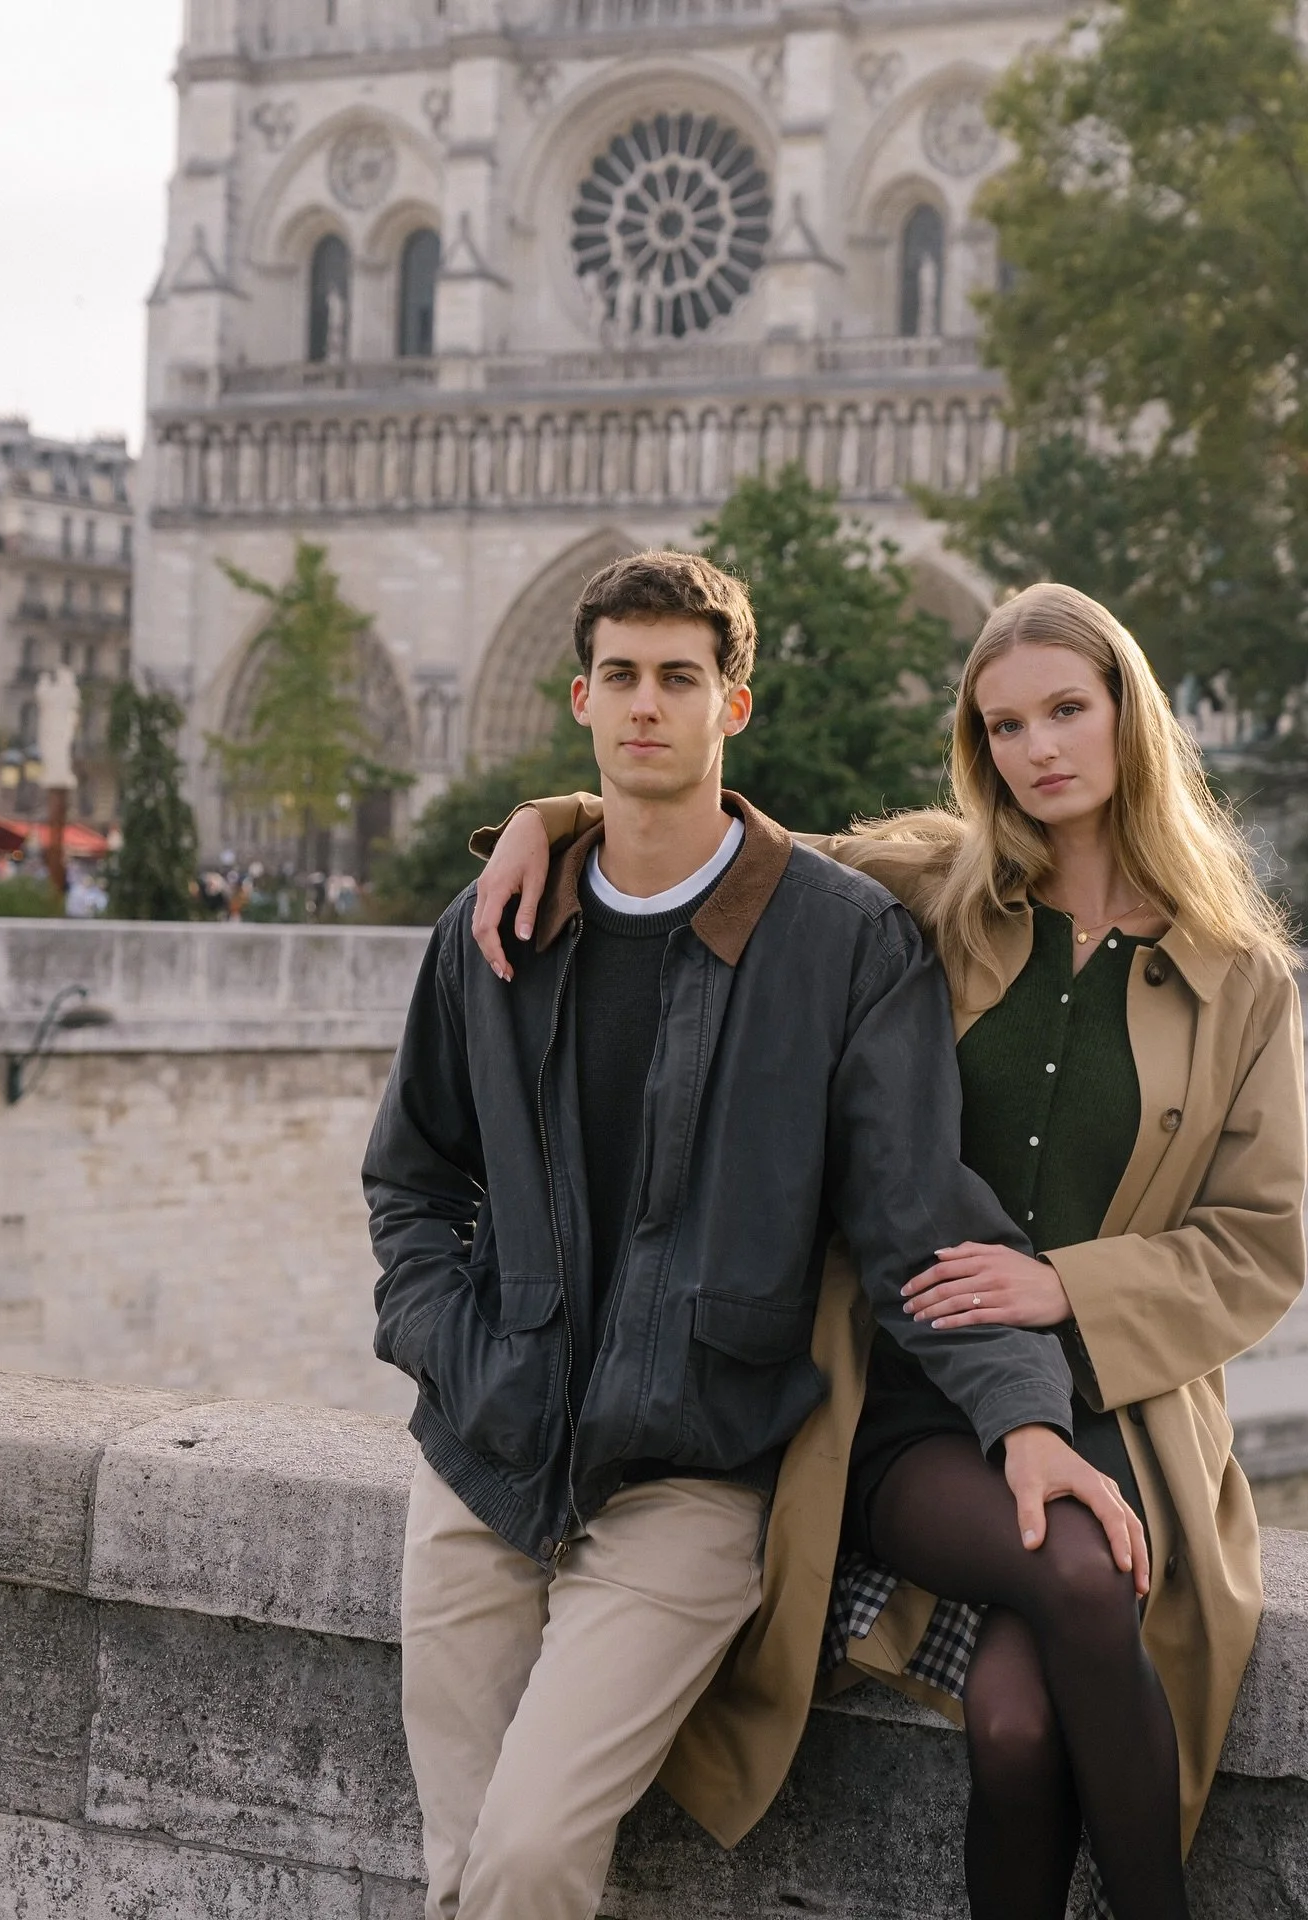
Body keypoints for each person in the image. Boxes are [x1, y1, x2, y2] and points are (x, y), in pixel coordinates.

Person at [472, 580, 1306, 1919]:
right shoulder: (923, 887)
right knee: (1080, 1573)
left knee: (1019, 1726)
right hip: (909, 1398)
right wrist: (557, 817)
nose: (1037, 749)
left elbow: (1262, 1243)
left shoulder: (1242, 977)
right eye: (1004, 727)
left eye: (1065, 711)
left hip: (1121, 1403)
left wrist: (1065, 1285)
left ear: (1130, 715)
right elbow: (712, 841)